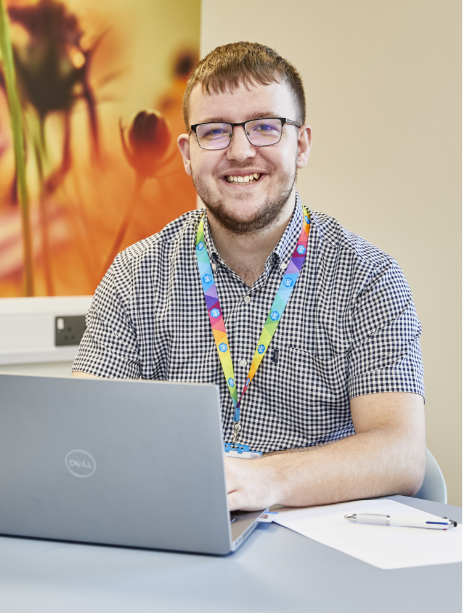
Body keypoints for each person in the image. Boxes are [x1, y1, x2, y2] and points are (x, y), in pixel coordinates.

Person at [72, 42, 426, 511]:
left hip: (315, 555)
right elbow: (82, 429)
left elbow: (400, 452)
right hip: (170, 534)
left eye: (264, 127)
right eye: (214, 131)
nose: (240, 152)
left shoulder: (368, 279)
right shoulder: (135, 274)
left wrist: (263, 481)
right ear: (186, 153)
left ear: (300, 145)